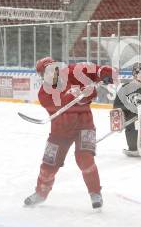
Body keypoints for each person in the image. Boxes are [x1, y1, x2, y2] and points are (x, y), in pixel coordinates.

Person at [24, 57, 115, 209]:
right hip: (60, 132)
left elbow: (98, 69)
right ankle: (41, 193)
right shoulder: (44, 94)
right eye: (44, 74)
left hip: (85, 126)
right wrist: (80, 95)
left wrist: (106, 74)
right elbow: (62, 105)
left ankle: (95, 193)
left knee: (85, 159)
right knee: (48, 164)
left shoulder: (75, 72)